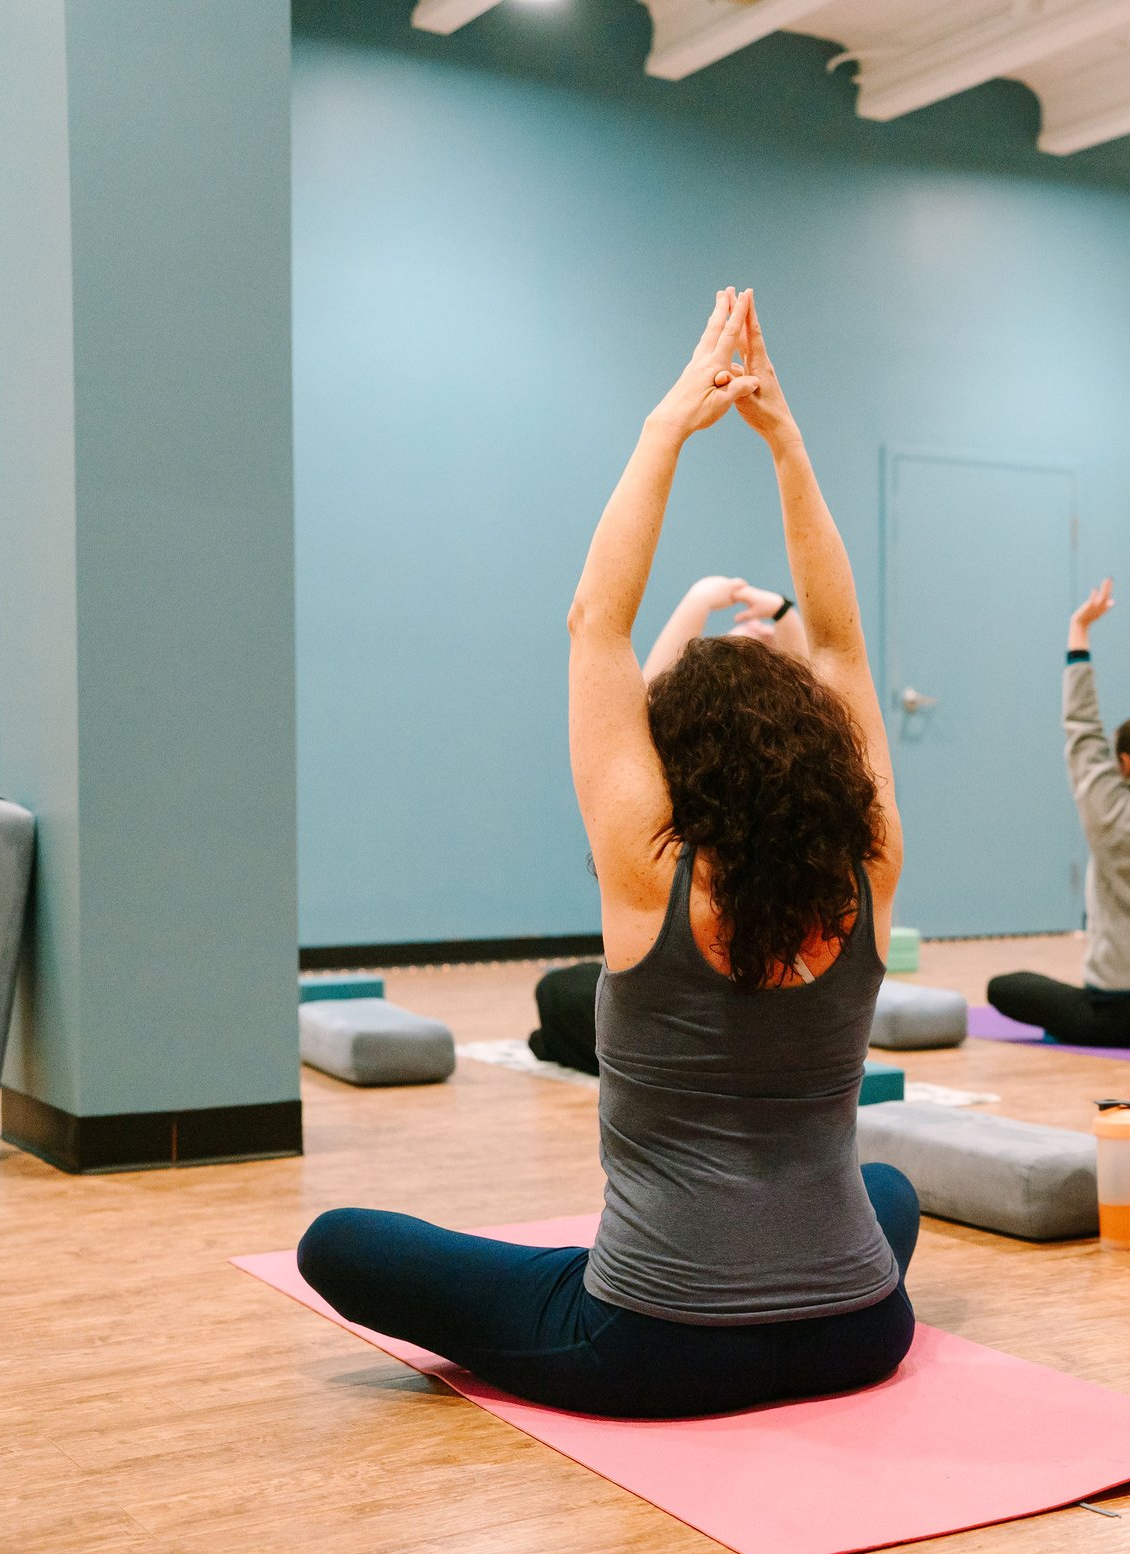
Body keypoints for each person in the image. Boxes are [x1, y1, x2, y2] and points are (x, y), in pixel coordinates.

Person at [298, 290, 920, 1419]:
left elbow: (597, 620)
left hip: (654, 1346)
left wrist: (664, 428)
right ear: (824, 760)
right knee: (884, 1190)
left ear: (680, 761)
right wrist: (785, 441)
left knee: (337, 1242)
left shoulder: (652, 868)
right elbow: (836, 639)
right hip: (859, 1328)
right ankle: (806, 1280)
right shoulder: (868, 862)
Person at [529, 574, 810, 1076]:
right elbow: (824, 677)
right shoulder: (810, 800)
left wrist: (701, 598)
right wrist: (784, 614)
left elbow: (641, 692)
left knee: (560, 991)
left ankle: (550, 1041)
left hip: (689, 1028)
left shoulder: (660, 802)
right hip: (782, 1023)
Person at [986, 577, 1130, 1047]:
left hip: (1125, 1016)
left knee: (1004, 988)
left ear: (1127, 764)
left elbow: (1082, 728)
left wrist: (1080, 632)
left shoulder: (1113, 814)